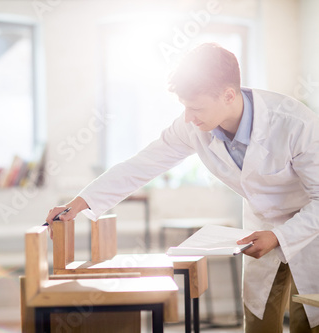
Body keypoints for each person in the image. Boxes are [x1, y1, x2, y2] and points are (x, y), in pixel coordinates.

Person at [45, 43, 319, 332]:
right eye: (185, 107)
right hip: (259, 227)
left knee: (307, 321)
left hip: (311, 229)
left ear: (228, 95)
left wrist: (279, 236)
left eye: (196, 107)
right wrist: (80, 202)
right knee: (258, 322)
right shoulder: (192, 125)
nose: (188, 117)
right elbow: (142, 164)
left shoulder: (295, 123)